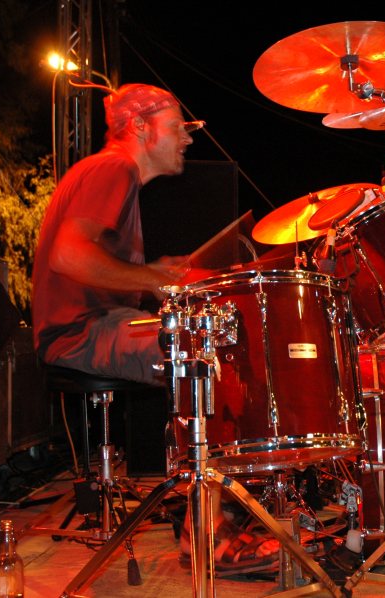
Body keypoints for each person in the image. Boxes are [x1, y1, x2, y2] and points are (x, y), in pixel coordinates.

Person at [31, 83, 278, 573]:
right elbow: (68, 256)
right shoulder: (114, 167)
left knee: (207, 342)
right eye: (179, 127)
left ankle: (209, 512)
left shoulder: (111, 176)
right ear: (141, 128)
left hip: (98, 323)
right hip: (79, 333)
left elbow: (101, 270)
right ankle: (206, 529)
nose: (188, 138)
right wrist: (153, 280)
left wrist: (162, 276)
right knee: (206, 354)